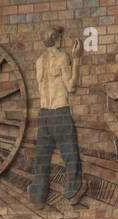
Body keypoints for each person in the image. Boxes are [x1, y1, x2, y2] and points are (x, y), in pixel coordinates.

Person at [30, 26, 86, 208]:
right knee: (70, 156)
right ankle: (73, 193)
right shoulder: (62, 57)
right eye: (60, 37)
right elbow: (71, 86)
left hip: (44, 114)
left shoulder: (39, 62)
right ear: (57, 39)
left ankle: (38, 199)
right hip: (60, 112)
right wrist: (76, 58)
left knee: (42, 158)